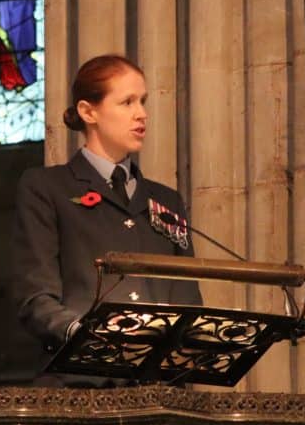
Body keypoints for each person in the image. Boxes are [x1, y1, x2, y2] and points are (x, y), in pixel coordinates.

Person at [12, 54, 201, 355]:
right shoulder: (46, 188)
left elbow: (188, 301)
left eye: (143, 101)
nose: (141, 114)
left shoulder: (167, 201)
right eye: (127, 102)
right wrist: (83, 334)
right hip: (82, 382)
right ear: (88, 112)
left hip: (158, 385)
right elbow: (35, 297)